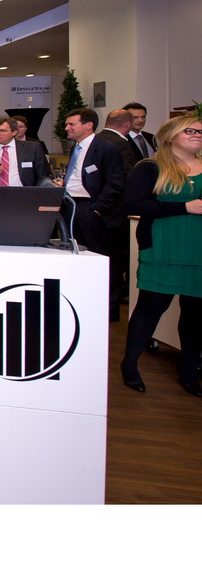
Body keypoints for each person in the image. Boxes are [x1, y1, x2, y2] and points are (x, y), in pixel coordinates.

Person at [119, 112, 202, 396]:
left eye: (200, 132)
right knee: (150, 309)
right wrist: (184, 207)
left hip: (197, 249)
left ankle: (189, 370)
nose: (197, 136)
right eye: (190, 131)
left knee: (195, 315)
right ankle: (130, 365)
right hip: (163, 246)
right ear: (170, 136)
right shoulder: (150, 167)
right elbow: (133, 204)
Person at [57, 107, 127, 321]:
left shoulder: (106, 148)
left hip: (93, 210)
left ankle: (108, 310)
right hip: (72, 207)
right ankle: (83, 304)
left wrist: (97, 208)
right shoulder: (76, 148)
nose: (67, 128)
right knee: (76, 256)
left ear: (88, 125)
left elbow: (115, 182)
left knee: (100, 258)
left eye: (71, 124)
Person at [0, 117, 50, 185]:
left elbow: (43, 175)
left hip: (24, 193)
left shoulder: (32, 148)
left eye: (2, 131)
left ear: (14, 132)